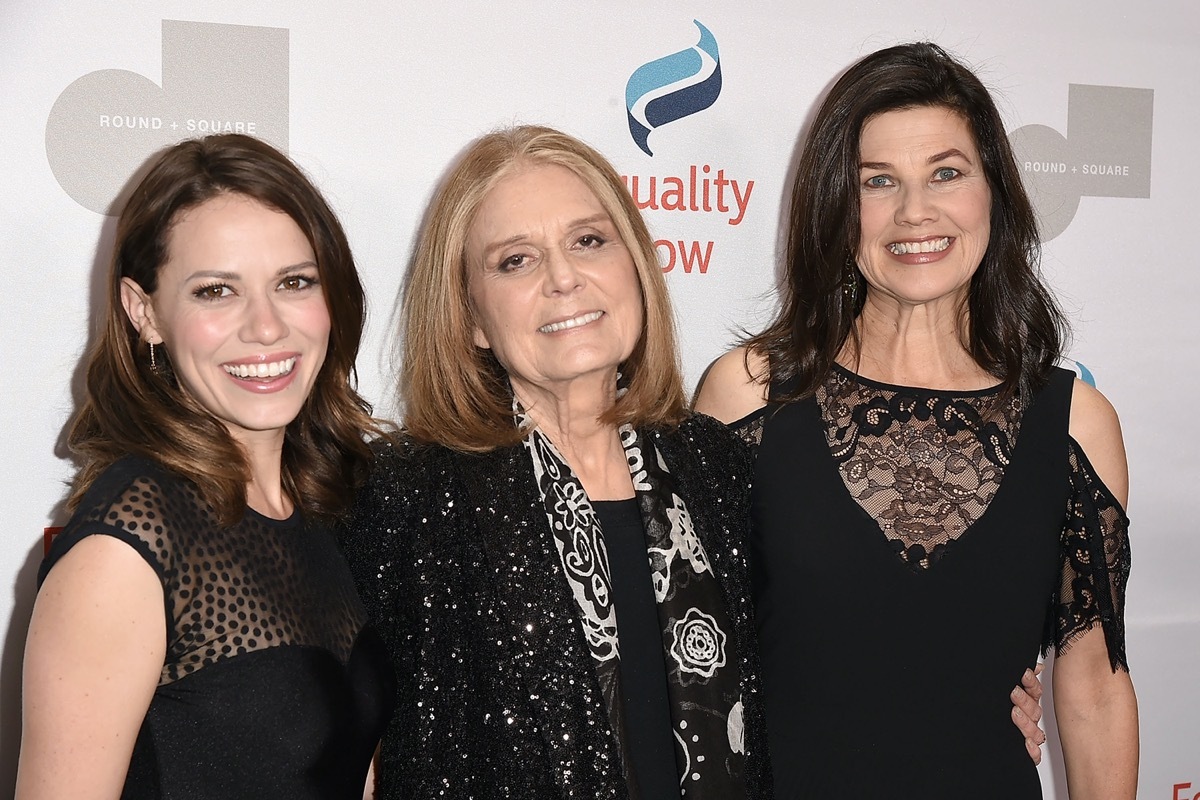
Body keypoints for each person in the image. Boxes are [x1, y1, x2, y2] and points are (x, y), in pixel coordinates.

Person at [696, 42, 1137, 798]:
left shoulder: (1076, 426)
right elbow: (692, 665)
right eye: (877, 181)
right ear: (837, 207)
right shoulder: (748, 397)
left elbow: (1095, 689)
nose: (914, 211)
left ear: (993, 191)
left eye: (946, 172)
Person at [341, 125, 770, 799]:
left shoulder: (718, 468)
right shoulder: (401, 498)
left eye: (589, 241)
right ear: (471, 318)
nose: (564, 278)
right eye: (516, 260)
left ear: (636, 266)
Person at [17, 134, 395, 799]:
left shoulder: (326, 507)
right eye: (217, 291)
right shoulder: (126, 547)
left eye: (294, 282)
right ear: (145, 312)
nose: (266, 327)